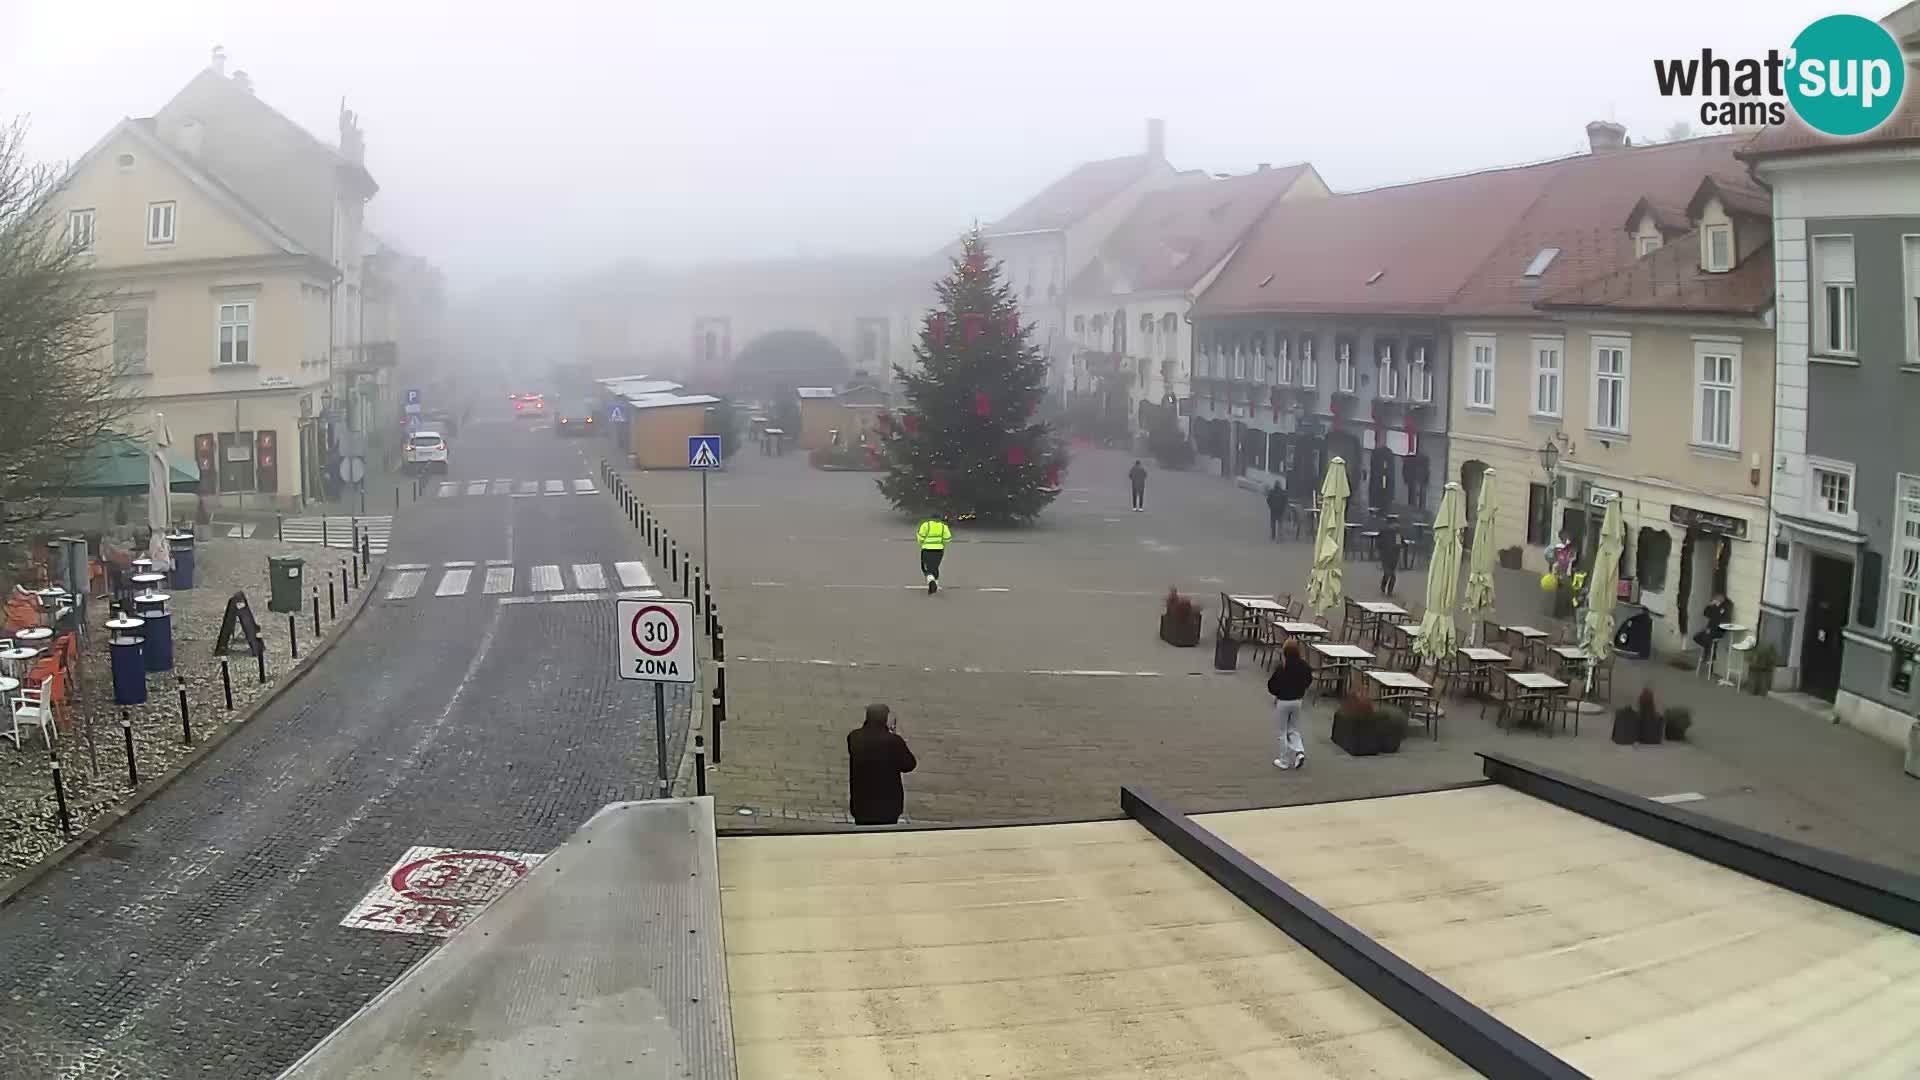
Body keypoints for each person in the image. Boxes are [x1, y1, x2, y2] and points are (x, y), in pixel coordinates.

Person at [847, 703, 918, 825]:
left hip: (862, 803)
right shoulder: (894, 741)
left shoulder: (854, 737)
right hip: (888, 804)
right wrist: (893, 734)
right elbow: (909, 765)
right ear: (885, 719)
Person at [1267, 639, 1313, 770]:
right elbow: (1308, 680)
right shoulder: (1304, 666)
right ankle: (1299, 752)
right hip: (1297, 701)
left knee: (1283, 732)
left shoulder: (1282, 667)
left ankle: (1284, 761)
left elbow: (1272, 685)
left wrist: (1278, 693)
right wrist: (1301, 690)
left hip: (1283, 701)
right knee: (1293, 729)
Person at [916, 512, 953, 594]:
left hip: (927, 549)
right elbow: (948, 538)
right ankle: (935, 584)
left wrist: (922, 543)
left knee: (926, 567)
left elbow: (920, 537)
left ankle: (931, 581)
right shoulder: (943, 526)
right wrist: (941, 543)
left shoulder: (925, 525)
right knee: (935, 567)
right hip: (939, 550)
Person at [1694, 591, 1734, 659]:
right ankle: (1710, 651)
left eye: (1716, 599)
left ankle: (1709, 655)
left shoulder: (1726, 607)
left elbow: (1722, 620)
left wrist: (1710, 629)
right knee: (1697, 637)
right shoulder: (1714, 607)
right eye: (1715, 599)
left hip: (1719, 630)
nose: (1714, 600)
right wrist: (1709, 605)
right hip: (1710, 629)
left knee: (1706, 637)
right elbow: (1706, 613)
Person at [1377, 523, 1402, 597]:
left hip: (1393, 557)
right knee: (1390, 574)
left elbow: (1399, 545)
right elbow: (1379, 544)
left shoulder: (1397, 534)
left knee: (1390, 574)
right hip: (1387, 556)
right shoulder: (1385, 533)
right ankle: (1386, 589)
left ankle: (1388, 590)